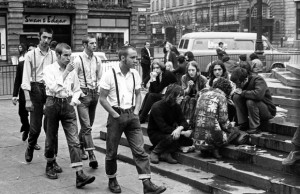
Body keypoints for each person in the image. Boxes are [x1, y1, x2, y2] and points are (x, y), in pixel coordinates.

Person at [99, 46, 166, 194]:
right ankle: (112, 179)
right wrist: (114, 114)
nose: (136, 61)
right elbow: (102, 99)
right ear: (123, 58)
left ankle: (147, 184)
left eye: (136, 58)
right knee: (112, 152)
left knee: (140, 150)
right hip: (116, 114)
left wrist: (136, 111)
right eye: (133, 58)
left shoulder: (135, 73)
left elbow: (138, 94)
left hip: (132, 115)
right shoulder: (109, 75)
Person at [43, 43, 95, 188]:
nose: (68, 58)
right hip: (52, 103)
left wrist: (73, 100)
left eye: (70, 55)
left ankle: (79, 174)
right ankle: (49, 164)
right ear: (58, 55)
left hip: (67, 104)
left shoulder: (72, 70)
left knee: (74, 140)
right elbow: (53, 87)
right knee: (51, 137)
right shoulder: (49, 70)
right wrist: (66, 72)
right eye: (65, 55)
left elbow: (77, 89)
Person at [22, 28, 56, 163]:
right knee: (35, 127)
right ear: (39, 37)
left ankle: (51, 157)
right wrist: (27, 99)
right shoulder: (30, 55)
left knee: (50, 127)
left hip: (49, 90)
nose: (46, 41)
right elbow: (25, 78)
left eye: (49, 38)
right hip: (35, 89)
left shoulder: (54, 55)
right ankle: (30, 145)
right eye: (44, 37)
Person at [73, 34, 102, 167]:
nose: (94, 45)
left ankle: (81, 146)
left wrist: (98, 89)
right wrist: (79, 92)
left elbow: (99, 76)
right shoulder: (78, 59)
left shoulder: (97, 59)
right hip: (83, 95)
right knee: (87, 126)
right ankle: (92, 155)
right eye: (91, 43)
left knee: (87, 125)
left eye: (95, 43)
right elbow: (73, 79)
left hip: (94, 94)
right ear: (84, 45)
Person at [148, 84, 194, 164]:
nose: (182, 98)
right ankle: (155, 152)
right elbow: (163, 127)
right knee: (171, 138)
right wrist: (182, 132)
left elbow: (183, 122)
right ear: (173, 96)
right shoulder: (157, 107)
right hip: (156, 134)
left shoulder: (176, 106)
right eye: (180, 96)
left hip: (172, 132)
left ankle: (166, 153)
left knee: (188, 141)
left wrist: (180, 129)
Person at [193, 77, 237, 159]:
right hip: (213, 137)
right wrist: (232, 127)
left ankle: (205, 149)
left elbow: (195, 116)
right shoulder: (221, 97)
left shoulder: (202, 95)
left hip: (197, 139)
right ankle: (215, 148)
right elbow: (223, 121)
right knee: (235, 132)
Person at [230, 68, 276, 134]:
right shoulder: (240, 84)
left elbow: (258, 95)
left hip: (267, 111)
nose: (237, 86)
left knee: (250, 101)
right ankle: (243, 123)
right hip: (253, 110)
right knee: (236, 97)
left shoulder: (258, 80)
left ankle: (254, 127)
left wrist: (242, 92)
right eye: (235, 84)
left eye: (239, 84)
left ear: (245, 79)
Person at [139, 59, 177, 124]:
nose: (155, 70)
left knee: (151, 96)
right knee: (148, 94)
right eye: (154, 68)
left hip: (172, 95)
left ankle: (142, 117)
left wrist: (153, 78)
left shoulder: (166, 74)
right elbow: (152, 90)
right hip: (164, 94)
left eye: (157, 68)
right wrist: (152, 78)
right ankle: (141, 115)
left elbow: (157, 90)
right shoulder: (158, 75)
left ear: (161, 67)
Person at [12, 44, 30, 142]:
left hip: (35, 93)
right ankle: (26, 127)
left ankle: (33, 141)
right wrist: (14, 95)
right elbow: (17, 80)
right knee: (22, 113)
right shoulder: (21, 64)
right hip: (23, 92)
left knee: (36, 117)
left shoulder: (38, 65)